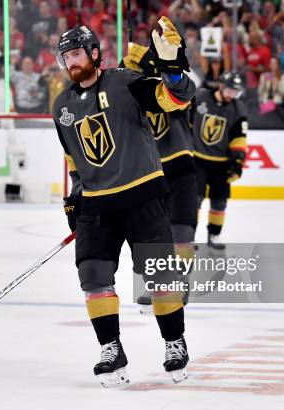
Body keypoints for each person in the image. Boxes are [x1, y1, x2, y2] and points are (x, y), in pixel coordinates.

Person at [53, 18, 195, 387]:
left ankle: (174, 342)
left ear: (95, 53)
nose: (71, 62)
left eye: (77, 53)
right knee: (92, 275)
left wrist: (171, 65)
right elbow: (74, 157)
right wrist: (75, 195)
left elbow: (176, 98)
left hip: (142, 196)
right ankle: (111, 348)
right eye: (65, 56)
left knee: (161, 275)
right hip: (98, 205)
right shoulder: (62, 106)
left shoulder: (123, 82)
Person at [121, 42, 198, 310]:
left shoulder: (171, 85)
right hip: (150, 172)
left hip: (179, 164)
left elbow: (180, 84)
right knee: (155, 233)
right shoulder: (133, 93)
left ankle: (182, 279)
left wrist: (148, 60)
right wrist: (125, 72)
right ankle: (160, 282)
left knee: (181, 228)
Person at [191, 71, 248, 250]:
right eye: (230, 90)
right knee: (194, 201)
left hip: (221, 163)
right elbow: (186, 122)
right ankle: (188, 236)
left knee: (220, 201)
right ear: (221, 86)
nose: (233, 95)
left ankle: (214, 234)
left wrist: (237, 162)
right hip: (196, 159)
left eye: (236, 92)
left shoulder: (238, 109)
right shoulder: (200, 97)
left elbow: (239, 138)